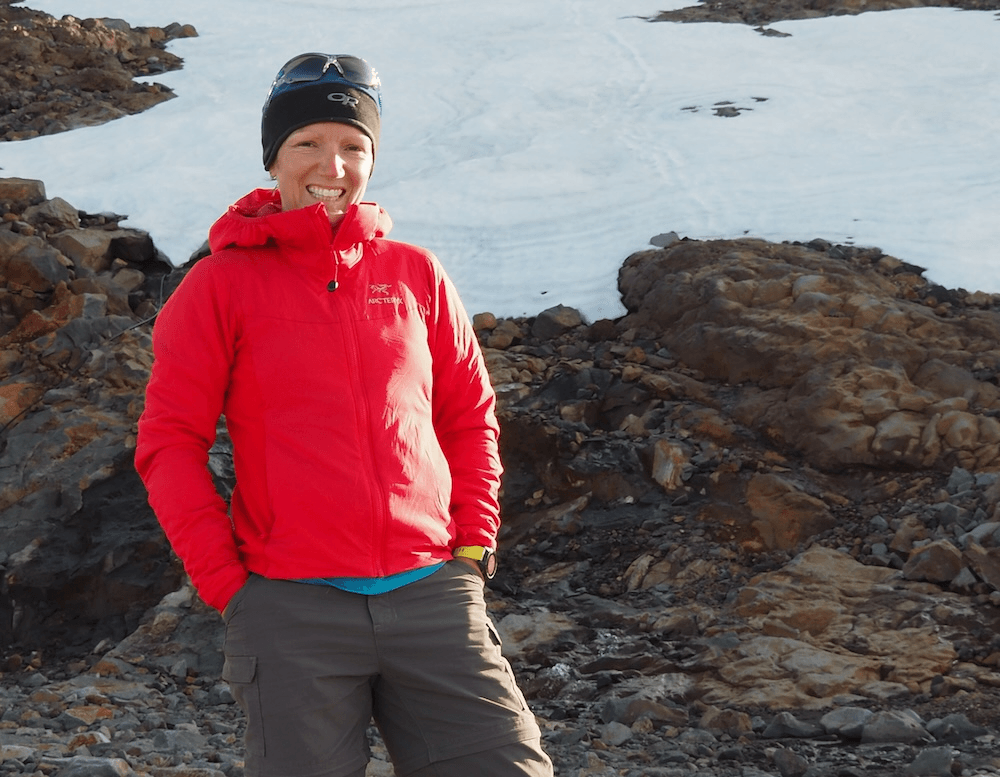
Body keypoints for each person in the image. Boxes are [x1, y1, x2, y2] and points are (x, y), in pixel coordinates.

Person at [135, 53, 553, 777]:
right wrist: (229, 586)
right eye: (308, 144)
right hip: (292, 608)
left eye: (354, 145)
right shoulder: (217, 286)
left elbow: (469, 416)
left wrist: (473, 546)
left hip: (431, 594)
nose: (333, 164)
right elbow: (170, 443)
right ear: (274, 158)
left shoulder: (415, 273)